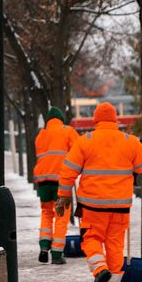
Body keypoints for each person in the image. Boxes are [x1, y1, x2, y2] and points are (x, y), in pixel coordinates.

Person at [57, 101, 142, 282]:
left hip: (92, 205)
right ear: (116, 119)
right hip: (120, 205)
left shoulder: (85, 141)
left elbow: (67, 171)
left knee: (91, 239)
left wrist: (63, 195)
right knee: (115, 245)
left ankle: (100, 270)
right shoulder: (130, 141)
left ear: (96, 119)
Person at [33, 106, 80, 264]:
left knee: (47, 213)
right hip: (61, 182)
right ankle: (57, 254)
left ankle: (44, 246)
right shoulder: (67, 131)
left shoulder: (41, 135)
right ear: (61, 119)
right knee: (61, 216)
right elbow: (79, 152)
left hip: (43, 182)